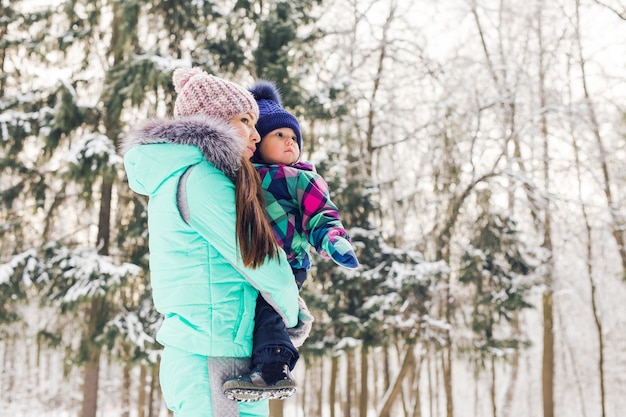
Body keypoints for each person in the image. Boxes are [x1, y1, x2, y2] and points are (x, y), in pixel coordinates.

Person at [120, 67, 300, 417]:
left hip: (218, 350)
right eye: (245, 121)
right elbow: (257, 255)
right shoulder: (201, 178)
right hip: (214, 354)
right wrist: (292, 313)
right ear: (214, 120)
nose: (255, 134)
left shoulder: (182, 174)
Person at [222, 80, 358, 402]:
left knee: (270, 311)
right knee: (249, 315)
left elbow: (321, 215)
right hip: (250, 260)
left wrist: (334, 240)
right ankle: (256, 367)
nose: (289, 142)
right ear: (258, 141)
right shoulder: (243, 173)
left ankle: (274, 371)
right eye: (279, 135)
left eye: (293, 137)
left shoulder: (302, 178)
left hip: (288, 262)